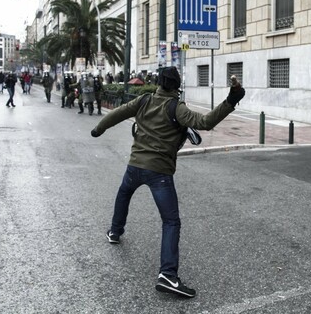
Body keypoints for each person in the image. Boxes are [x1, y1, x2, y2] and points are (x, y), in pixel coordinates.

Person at [90, 66, 245, 298]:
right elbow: (204, 122)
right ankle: (168, 276)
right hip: (159, 171)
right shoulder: (177, 107)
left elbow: (117, 113)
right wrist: (231, 100)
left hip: (135, 165)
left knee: (124, 194)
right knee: (171, 222)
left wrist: (98, 129)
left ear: (159, 83)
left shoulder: (144, 100)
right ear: (178, 84)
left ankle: (114, 231)